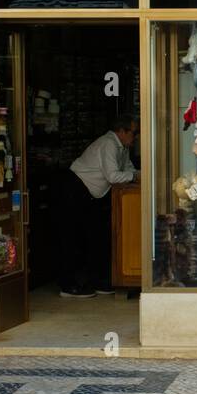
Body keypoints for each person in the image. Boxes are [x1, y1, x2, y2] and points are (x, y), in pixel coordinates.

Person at [58, 115, 139, 299]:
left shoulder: (123, 147)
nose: (135, 137)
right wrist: (135, 177)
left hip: (92, 193)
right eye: (133, 133)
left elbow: (128, 169)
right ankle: (68, 285)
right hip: (76, 187)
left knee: (95, 237)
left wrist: (138, 174)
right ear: (121, 131)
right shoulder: (109, 144)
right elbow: (113, 176)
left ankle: (97, 281)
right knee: (72, 238)